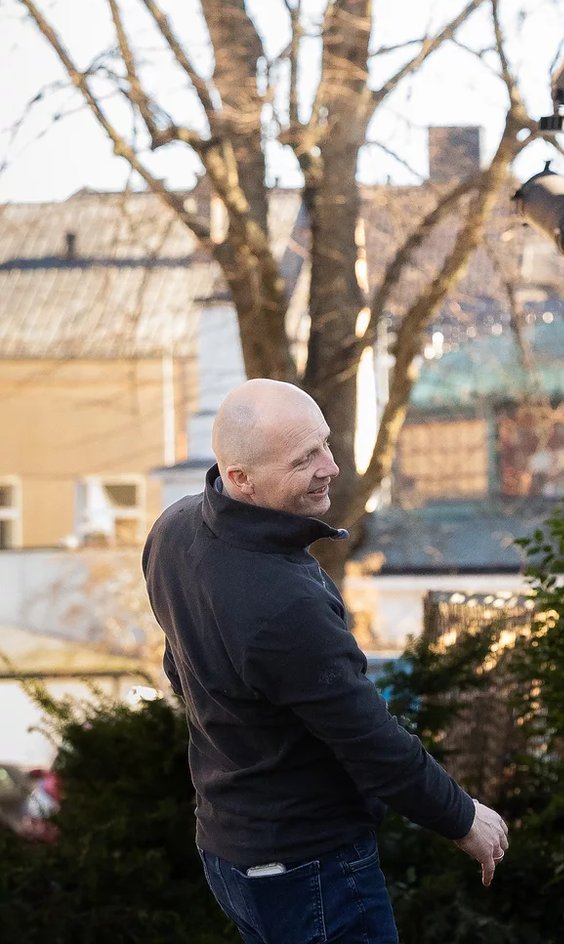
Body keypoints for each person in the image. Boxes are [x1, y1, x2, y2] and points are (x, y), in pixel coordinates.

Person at [142, 379, 507, 943]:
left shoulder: (172, 531)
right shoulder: (284, 604)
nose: (330, 467)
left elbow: (180, 669)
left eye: (325, 445)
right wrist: (462, 819)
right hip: (307, 866)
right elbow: (368, 738)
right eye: (304, 458)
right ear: (241, 477)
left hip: (229, 848)